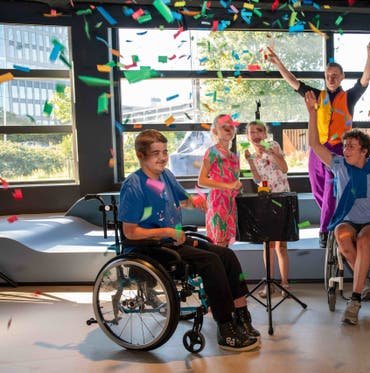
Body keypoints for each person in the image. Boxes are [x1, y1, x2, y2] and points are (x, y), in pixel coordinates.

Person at [118, 129, 260, 352]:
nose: (163, 157)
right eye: (156, 153)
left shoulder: (166, 176)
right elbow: (130, 232)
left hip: (173, 240)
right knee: (211, 261)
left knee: (227, 255)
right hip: (150, 248)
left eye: (165, 152)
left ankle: (242, 315)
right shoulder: (134, 185)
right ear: (140, 155)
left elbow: (183, 200)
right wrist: (167, 230)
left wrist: (195, 200)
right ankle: (225, 328)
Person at [267, 35, 370, 249]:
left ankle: (325, 230)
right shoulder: (316, 95)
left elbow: (365, 78)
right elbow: (293, 82)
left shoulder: (350, 97)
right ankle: (334, 219)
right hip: (317, 150)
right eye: (328, 75)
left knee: (329, 190)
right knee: (319, 192)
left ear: (342, 76)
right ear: (325, 77)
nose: (332, 78)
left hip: (338, 151)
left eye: (336, 75)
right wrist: (278, 63)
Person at [304, 91, 370, 325]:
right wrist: (311, 113)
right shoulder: (338, 166)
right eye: (345, 145)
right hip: (347, 220)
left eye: (351, 147)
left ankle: (355, 299)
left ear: (363, 152)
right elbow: (315, 144)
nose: (345, 150)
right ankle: (365, 279)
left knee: (364, 241)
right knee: (343, 237)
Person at [244, 120, 291, 298]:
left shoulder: (273, 145)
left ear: (265, 133)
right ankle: (270, 283)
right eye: (252, 132)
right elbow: (256, 179)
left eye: (259, 131)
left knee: (281, 245)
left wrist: (273, 154)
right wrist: (249, 161)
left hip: (282, 198)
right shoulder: (251, 154)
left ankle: (285, 283)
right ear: (248, 136)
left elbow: (285, 168)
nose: (255, 135)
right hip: (265, 201)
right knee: (268, 245)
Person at [197, 114, 243, 247]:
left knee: (227, 243)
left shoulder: (234, 157)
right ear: (215, 131)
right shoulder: (212, 152)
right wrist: (228, 185)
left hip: (231, 203)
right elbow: (202, 180)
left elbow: (234, 180)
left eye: (231, 126)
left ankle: (225, 268)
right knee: (220, 243)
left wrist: (237, 186)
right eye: (224, 127)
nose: (229, 129)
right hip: (218, 202)